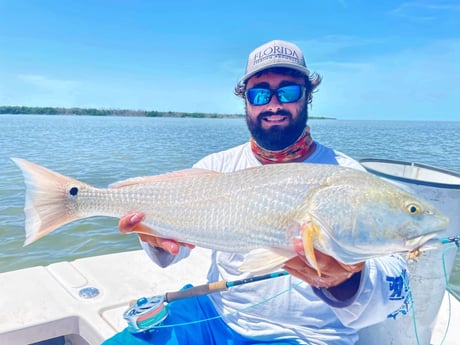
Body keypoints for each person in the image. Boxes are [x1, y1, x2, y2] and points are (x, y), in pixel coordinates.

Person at [104, 40, 408, 345]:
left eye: (288, 91)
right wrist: (153, 235)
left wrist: (347, 281)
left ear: (308, 97)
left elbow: (394, 283)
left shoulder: (348, 176)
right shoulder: (217, 166)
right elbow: (174, 252)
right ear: (246, 101)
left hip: (308, 336)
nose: (274, 105)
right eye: (260, 93)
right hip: (214, 313)